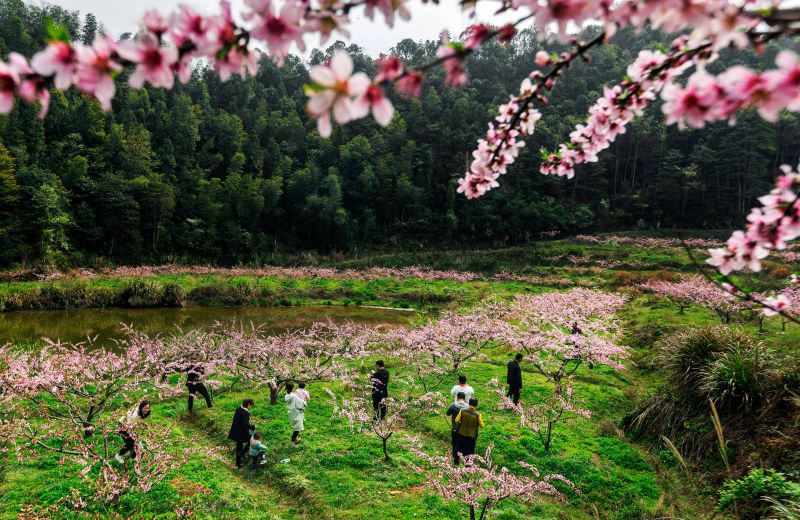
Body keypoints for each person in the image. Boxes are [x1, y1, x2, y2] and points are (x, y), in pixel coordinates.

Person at [454, 398, 485, 463]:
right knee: (469, 452)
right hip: (471, 436)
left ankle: (456, 463)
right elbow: (482, 426)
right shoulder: (478, 415)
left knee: (458, 449)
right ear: (476, 405)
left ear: (469, 403)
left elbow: (456, 420)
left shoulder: (462, 410)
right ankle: (468, 465)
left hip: (461, 433)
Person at [228, 398, 256, 468]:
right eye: (251, 406)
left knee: (239, 447)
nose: (251, 407)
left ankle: (238, 464)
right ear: (248, 404)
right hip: (241, 433)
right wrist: (253, 426)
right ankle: (242, 453)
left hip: (235, 431)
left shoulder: (239, 409)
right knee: (252, 440)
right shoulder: (245, 413)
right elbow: (245, 424)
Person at [446, 391, 469, 465]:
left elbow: (448, 413)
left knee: (455, 444)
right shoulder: (468, 407)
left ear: (457, 397)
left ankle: (455, 462)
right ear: (464, 398)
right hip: (464, 430)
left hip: (455, 429)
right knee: (463, 445)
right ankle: (465, 461)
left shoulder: (453, 405)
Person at [285, 382, 306, 446]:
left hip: (291, 412)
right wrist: (304, 404)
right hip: (296, 412)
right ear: (292, 388)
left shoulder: (287, 395)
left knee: (296, 427)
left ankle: (296, 439)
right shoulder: (294, 396)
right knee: (297, 428)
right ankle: (293, 442)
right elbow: (300, 404)